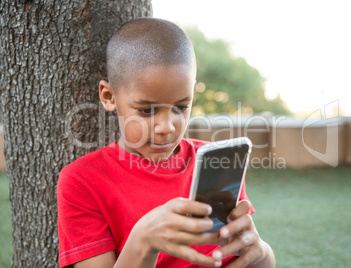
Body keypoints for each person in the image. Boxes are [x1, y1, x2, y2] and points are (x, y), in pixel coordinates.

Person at [57, 17, 275, 268]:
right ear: (109, 97)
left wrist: (262, 255)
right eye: (147, 111)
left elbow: (253, 259)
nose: (167, 127)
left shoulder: (215, 160)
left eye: (181, 107)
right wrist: (144, 239)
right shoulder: (83, 181)